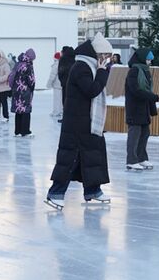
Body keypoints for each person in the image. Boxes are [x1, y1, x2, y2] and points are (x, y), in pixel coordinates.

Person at [45, 33, 113, 210]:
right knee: (70, 157)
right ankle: (55, 193)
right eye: (105, 56)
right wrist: (102, 73)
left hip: (87, 121)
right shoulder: (82, 67)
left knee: (91, 155)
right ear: (97, 54)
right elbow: (91, 90)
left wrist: (100, 72)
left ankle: (93, 190)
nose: (106, 60)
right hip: (77, 123)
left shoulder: (87, 66)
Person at [125, 48, 159, 171]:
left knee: (144, 134)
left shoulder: (145, 71)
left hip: (144, 109)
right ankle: (131, 160)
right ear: (142, 59)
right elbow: (136, 90)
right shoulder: (134, 71)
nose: (150, 62)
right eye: (148, 59)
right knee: (134, 135)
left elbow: (147, 89)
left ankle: (141, 158)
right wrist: (152, 97)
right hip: (134, 109)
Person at [11, 49, 36, 137]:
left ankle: (17, 131)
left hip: (16, 90)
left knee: (18, 110)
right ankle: (25, 131)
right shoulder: (28, 66)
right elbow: (31, 81)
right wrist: (32, 89)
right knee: (26, 110)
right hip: (25, 91)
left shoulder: (18, 64)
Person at [46, 51, 63, 119]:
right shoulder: (62, 63)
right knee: (61, 100)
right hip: (61, 84)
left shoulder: (56, 65)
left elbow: (52, 75)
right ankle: (61, 111)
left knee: (56, 100)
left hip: (57, 85)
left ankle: (56, 112)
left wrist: (49, 84)